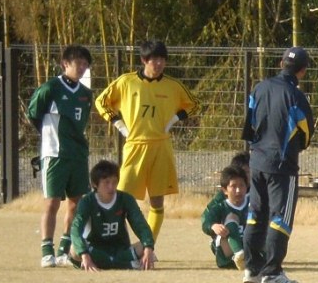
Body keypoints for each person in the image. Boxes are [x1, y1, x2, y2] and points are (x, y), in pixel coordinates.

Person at [95, 40, 199, 245]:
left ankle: (147, 245)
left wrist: (174, 120)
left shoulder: (173, 85)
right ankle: (117, 243)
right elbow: (101, 101)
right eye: (154, 60)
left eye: (162, 59)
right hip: (135, 146)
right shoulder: (126, 82)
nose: (159, 64)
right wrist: (119, 125)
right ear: (144, 60)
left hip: (161, 146)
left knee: (157, 200)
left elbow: (194, 104)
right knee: (121, 197)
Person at [242, 47, 315, 283]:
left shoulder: (259, 88)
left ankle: (252, 269)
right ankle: (272, 273)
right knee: (280, 218)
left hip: (257, 161)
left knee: (255, 214)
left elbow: (249, 125)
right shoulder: (296, 96)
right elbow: (305, 134)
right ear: (303, 70)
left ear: (281, 62)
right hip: (282, 165)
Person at [27, 44, 94, 267]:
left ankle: (64, 250)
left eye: (86, 64)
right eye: (79, 63)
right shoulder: (50, 88)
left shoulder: (86, 94)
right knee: (52, 203)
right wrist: (49, 137)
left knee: (76, 203)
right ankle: (47, 250)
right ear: (65, 64)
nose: (83, 68)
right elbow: (33, 114)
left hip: (78, 154)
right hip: (54, 154)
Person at [68, 159, 156, 271]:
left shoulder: (126, 199)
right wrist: (84, 254)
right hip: (95, 250)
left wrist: (148, 248)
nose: (111, 187)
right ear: (95, 184)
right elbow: (76, 230)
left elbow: (140, 225)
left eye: (114, 182)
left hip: (121, 250)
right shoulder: (87, 201)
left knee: (144, 246)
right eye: (106, 182)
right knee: (74, 251)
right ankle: (128, 264)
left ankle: (107, 263)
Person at [201, 165, 250, 269]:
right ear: (224, 190)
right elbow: (206, 223)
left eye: (241, 185)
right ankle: (239, 254)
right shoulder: (220, 207)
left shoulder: (253, 203)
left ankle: (250, 258)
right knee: (232, 217)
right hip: (227, 254)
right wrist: (213, 226)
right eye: (233, 186)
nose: (238, 190)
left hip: (250, 249)